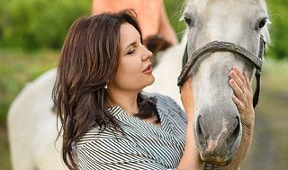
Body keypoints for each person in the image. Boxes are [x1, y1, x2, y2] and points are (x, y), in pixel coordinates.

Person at [52, 10, 255, 170]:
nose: (148, 53)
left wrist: (246, 121)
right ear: (101, 69)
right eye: (131, 51)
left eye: (141, 43)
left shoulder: (164, 104)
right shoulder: (97, 143)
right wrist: (193, 116)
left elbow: (220, 168)